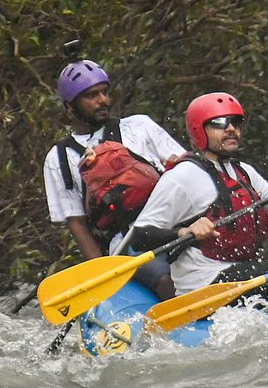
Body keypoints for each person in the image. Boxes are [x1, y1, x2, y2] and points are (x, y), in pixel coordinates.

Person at [42, 59, 185, 299]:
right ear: (70, 107)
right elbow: (77, 223)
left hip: (174, 225)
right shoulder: (59, 158)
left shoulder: (139, 126)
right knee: (163, 279)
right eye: (92, 95)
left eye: (104, 92)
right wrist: (103, 279)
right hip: (127, 245)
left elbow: (187, 172)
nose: (103, 101)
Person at [129, 92, 268, 296]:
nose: (231, 129)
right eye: (219, 123)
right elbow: (139, 236)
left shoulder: (244, 172)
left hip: (238, 273)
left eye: (235, 122)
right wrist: (182, 232)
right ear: (199, 131)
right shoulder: (182, 176)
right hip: (203, 284)